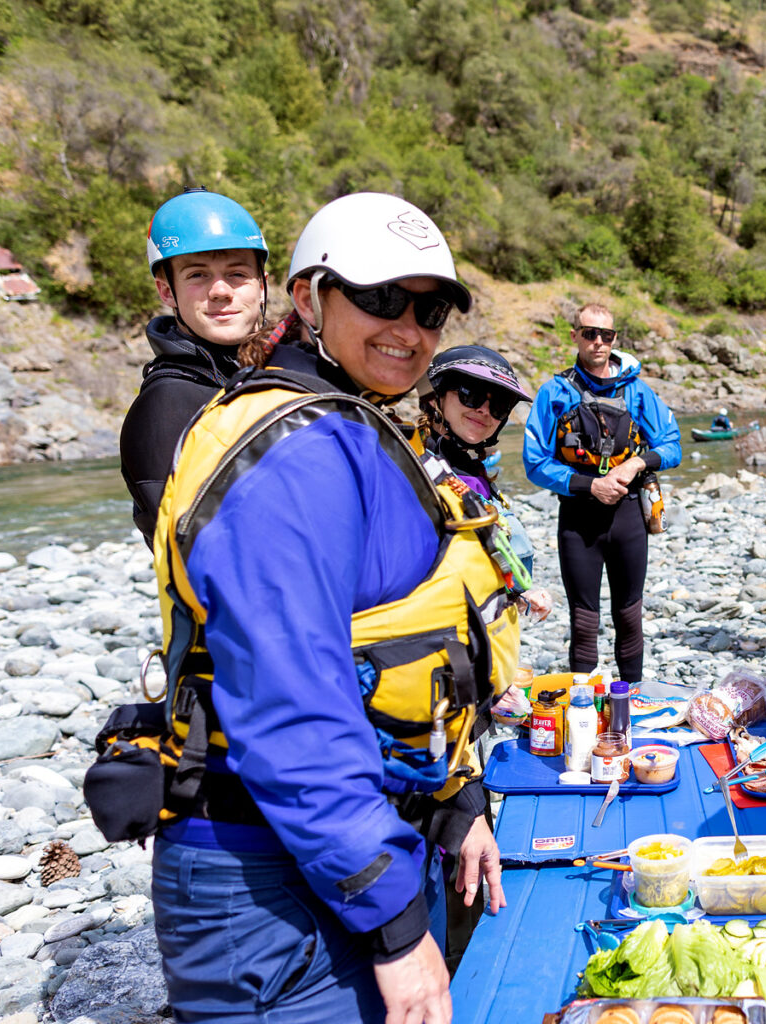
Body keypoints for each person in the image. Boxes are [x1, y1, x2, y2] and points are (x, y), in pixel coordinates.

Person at [142, 193, 516, 1023]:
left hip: (342, 834)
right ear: (309, 298)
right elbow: (291, 705)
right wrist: (394, 925)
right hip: (271, 871)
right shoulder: (295, 450)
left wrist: (455, 801)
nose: (408, 327)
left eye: (430, 307)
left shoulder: (351, 425)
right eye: (379, 297)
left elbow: (398, 635)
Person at [523, 303, 681, 682]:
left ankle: (633, 699)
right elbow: (534, 462)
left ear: (614, 339)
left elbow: (672, 444)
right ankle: (584, 705)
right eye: (589, 333)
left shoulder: (638, 392)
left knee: (629, 614)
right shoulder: (555, 393)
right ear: (575, 335)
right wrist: (590, 485)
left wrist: (636, 464)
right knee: (584, 617)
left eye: (606, 335)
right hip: (579, 519)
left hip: (628, 516)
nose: (598, 342)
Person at [121, 187, 268, 546]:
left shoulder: (281, 374)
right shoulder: (166, 405)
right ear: (167, 291)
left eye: (237, 274)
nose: (220, 290)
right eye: (197, 275)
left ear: (262, 285)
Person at [420, 345, 553, 621]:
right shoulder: (414, 474)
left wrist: (518, 596)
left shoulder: (471, 472)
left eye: (499, 405)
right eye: (471, 394)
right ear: (435, 398)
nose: (484, 410)